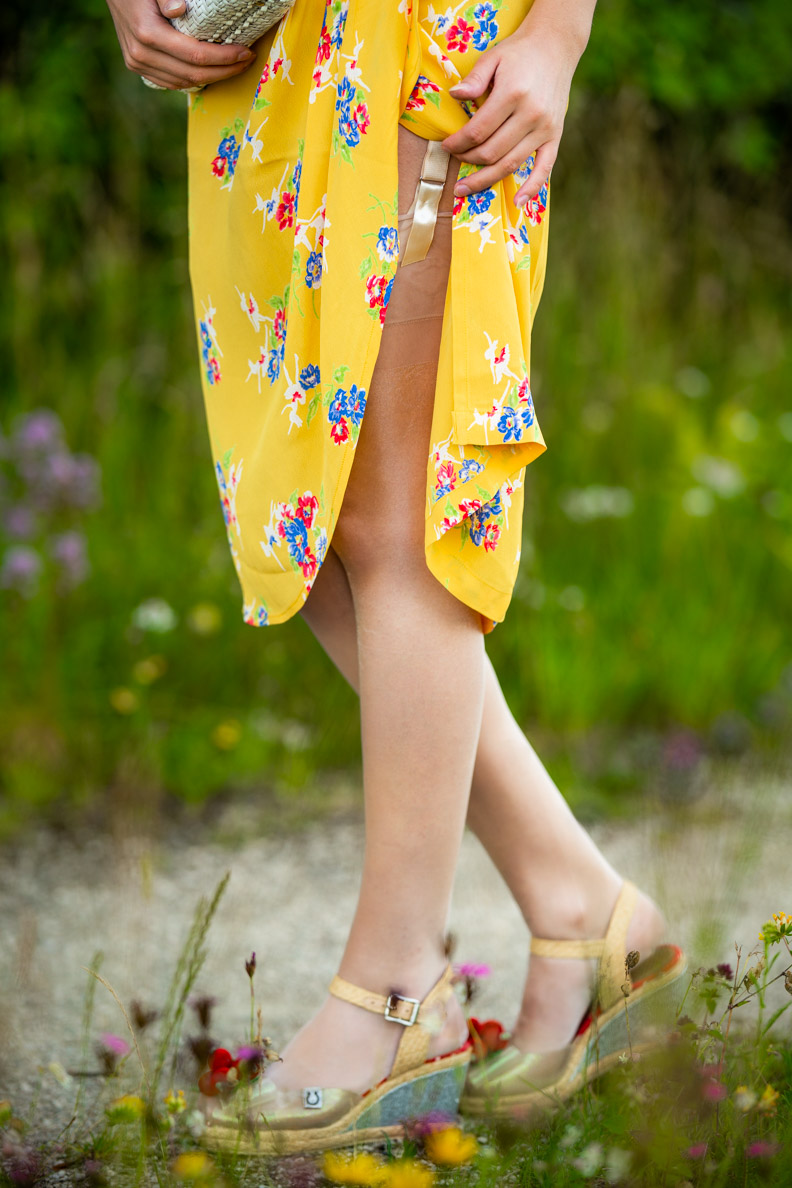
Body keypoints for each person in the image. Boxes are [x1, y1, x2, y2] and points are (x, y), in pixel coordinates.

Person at [105, 0, 687, 1153]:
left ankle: (399, 988)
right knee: (313, 523)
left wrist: (559, 35)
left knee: (403, 517)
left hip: (429, 44)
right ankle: (584, 911)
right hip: (262, 57)